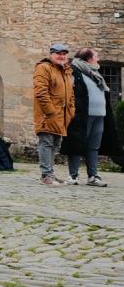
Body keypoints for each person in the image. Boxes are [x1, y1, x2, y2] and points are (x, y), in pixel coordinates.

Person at [62, 48, 111, 187]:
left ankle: (93, 176)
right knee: (77, 144)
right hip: (82, 114)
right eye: (96, 56)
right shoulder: (74, 71)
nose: (98, 59)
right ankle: (73, 175)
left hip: (99, 115)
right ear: (88, 59)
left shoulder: (94, 72)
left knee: (93, 147)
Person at [33, 43, 75, 186]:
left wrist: (71, 110)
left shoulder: (66, 71)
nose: (61, 56)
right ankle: (46, 175)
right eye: (58, 53)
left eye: (64, 54)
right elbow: (41, 92)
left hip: (62, 116)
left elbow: (71, 94)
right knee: (46, 142)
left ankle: (50, 173)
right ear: (51, 54)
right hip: (48, 115)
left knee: (56, 144)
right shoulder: (43, 68)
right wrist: (50, 111)